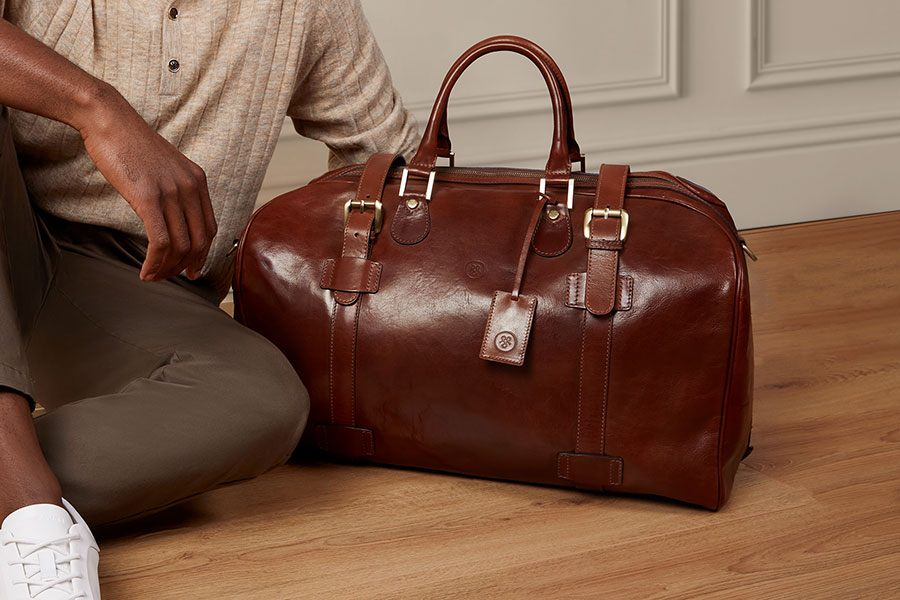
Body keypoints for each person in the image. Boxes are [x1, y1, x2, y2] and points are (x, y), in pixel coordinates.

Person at [0, 1, 419, 598]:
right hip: (10, 230)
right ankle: (27, 509)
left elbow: (389, 159)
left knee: (263, 401)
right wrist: (100, 109)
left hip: (138, 287)